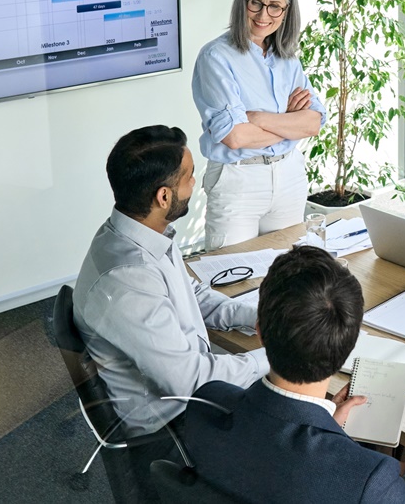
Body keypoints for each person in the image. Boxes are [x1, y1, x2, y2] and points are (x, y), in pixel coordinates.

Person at [180, 246, 405, 503]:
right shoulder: (366, 479)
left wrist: (329, 426)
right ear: (350, 346)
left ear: (260, 332)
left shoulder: (205, 403)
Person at [72, 126, 268, 479]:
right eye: (190, 177)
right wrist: (278, 355)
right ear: (164, 197)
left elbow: (193, 295)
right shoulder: (128, 278)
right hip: (170, 429)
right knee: (300, 421)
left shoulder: (142, 234)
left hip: (185, 387)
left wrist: (266, 317)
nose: (196, 184)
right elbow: (191, 382)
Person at [192, 0, 326, 251]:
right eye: (256, 3)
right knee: (232, 278)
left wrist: (258, 118)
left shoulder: (288, 58)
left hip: (289, 176)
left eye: (275, 6)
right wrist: (290, 123)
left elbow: (313, 122)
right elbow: (235, 136)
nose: (264, 14)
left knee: (289, 278)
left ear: (287, 12)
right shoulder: (216, 57)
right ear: (243, 2)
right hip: (238, 179)